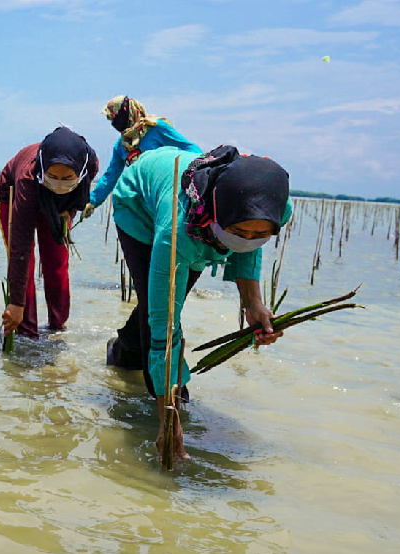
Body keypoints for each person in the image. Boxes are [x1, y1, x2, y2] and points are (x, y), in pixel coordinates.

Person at [111, 144, 291, 460]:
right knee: (163, 309)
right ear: (218, 216)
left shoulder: (275, 208)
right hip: (138, 205)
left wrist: (254, 304)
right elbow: (164, 327)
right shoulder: (177, 232)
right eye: (239, 231)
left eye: (260, 233)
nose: (248, 239)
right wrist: (170, 415)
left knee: (158, 303)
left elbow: (248, 245)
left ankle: (123, 349)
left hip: (200, 225)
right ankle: (166, 394)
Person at [83, 95, 203, 371]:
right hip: (139, 213)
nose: (115, 122)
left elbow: (193, 151)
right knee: (151, 292)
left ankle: (130, 345)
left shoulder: (158, 128)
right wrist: (92, 201)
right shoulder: (122, 144)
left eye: (117, 116)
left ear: (130, 112)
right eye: (111, 120)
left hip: (167, 208)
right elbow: (111, 176)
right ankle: (135, 352)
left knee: (162, 293)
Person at [0, 126, 99, 340]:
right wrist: (15, 303)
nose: (59, 183)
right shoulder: (27, 179)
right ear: (44, 169)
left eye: (67, 178)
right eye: (53, 176)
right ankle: (27, 331)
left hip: (58, 204)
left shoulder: (90, 163)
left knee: (57, 262)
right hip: (18, 192)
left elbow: (81, 192)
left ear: (79, 171)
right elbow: (20, 249)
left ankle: (57, 326)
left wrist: (69, 212)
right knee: (27, 263)